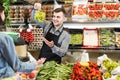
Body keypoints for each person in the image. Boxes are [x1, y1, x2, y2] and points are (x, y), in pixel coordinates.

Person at [0, 3, 46, 78]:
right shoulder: (4, 38)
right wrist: (35, 64)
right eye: (3, 12)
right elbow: (17, 66)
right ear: (1, 13)